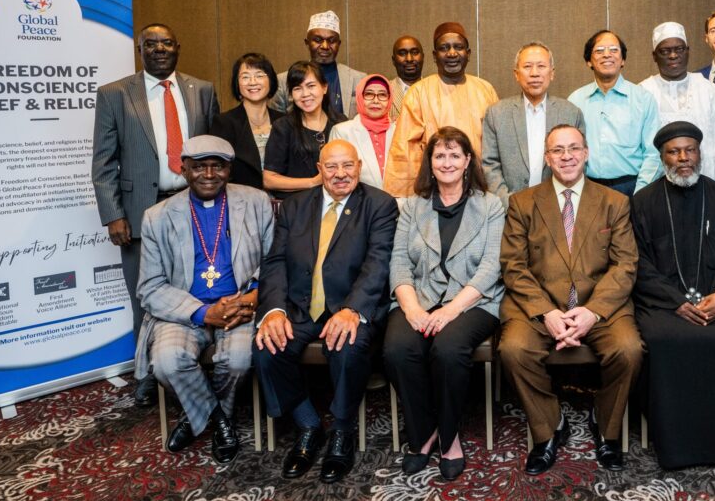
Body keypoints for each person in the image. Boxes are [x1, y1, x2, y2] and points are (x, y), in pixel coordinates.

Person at [498, 124, 644, 475]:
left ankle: (606, 426)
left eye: (573, 148)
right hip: (537, 305)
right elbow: (513, 266)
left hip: (599, 305)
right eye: (558, 150)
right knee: (514, 350)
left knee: (629, 350)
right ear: (547, 158)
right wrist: (547, 312)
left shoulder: (615, 202)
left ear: (586, 152)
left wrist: (592, 313)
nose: (567, 156)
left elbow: (625, 265)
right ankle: (549, 428)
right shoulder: (522, 203)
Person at [254, 139, 399, 483]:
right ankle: (308, 424)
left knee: (347, 347)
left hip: (351, 306)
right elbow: (274, 262)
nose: (340, 174)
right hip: (300, 307)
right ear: (319, 171)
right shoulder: (295, 207)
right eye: (331, 167)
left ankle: (342, 430)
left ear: (359, 166)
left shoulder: (379, 205)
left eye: (347, 165)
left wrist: (353, 309)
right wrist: (274, 310)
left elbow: (378, 263)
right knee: (267, 347)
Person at [631, 122, 715, 479]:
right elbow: (638, 263)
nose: (683, 159)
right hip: (665, 302)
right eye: (674, 152)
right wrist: (675, 301)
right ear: (663, 158)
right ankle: (678, 447)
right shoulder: (643, 202)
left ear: (699, 152)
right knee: (668, 339)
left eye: (689, 150)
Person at [92, 23, 220, 407]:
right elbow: (103, 162)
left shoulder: (202, 90)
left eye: (167, 42)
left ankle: (197, 363)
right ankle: (147, 373)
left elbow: (214, 152)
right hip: (139, 211)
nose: (160, 49)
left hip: (194, 206)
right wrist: (113, 214)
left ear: (178, 47)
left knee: (197, 285)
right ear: (140, 50)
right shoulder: (115, 94)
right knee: (145, 295)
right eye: (151, 44)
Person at [136, 135, 273, 463]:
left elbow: (275, 262)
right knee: (168, 362)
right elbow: (150, 287)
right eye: (198, 167)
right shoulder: (157, 216)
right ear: (183, 169)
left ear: (229, 169)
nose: (208, 174)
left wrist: (254, 297)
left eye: (218, 166)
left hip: (240, 305)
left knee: (239, 360)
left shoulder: (256, 202)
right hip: (184, 309)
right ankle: (219, 419)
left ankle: (197, 415)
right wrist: (203, 313)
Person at [384, 127, 505, 481]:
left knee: (448, 349)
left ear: (468, 161)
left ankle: (450, 437)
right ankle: (424, 433)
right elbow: (399, 263)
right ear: (430, 162)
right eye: (440, 156)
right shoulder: (412, 206)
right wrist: (413, 310)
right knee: (396, 349)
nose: (447, 162)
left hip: (473, 302)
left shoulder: (490, 205)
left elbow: (491, 267)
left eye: (455, 155)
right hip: (418, 298)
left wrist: (450, 311)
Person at [382, 22, 499, 197]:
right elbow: (405, 152)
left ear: (468, 54)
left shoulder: (485, 90)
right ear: (435, 56)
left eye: (458, 47)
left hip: (480, 188)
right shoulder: (419, 92)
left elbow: (498, 145)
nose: (452, 53)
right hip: (435, 191)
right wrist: (404, 198)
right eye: (444, 48)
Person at [640, 22, 715, 188]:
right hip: (656, 191)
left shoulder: (708, 90)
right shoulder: (643, 93)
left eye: (679, 49)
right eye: (665, 51)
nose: (673, 55)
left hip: (706, 188)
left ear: (687, 52)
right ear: (654, 56)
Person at [482, 42, 586, 205]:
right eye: (527, 66)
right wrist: (509, 203)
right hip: (510, 208)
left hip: (558, 208)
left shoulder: (571, 113)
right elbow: (489, 164)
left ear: (552, 73)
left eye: (541, 66)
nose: (534, 73)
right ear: (516, 74)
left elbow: (579, 162)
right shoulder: (497, 113)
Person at [567, 30, 662, 195]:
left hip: (631, 187)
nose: (606, 55)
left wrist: (641, 193)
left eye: (613, 50)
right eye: (599, 51)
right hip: (587, 188)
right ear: (589, 61)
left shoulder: (643, 99)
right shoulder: (575, 100)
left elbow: (653, 153)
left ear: (623, 60)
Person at [263, 61, 340, 198]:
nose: (305, 94)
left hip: (337, 203)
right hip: (298, 206)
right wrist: (313, 182)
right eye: (297, 88)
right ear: (291, 94)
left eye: (311, 86)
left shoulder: (340, 123)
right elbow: (269, 179)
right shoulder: (283, 127)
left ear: (324, 87)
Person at [209, 53, 286, 190]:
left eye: (259, 75)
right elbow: (218, 170)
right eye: (245, 77)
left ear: (271, 81)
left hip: (284, 202)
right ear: (237, 84)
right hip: (241, 201)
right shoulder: (224, 123)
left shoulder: (284, 121)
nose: (252, 82)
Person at [272, 11, 365, 119]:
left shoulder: (358, 79)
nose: (325, 46)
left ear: (339, 44)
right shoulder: (283, 81)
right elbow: (277, 123)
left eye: (332, 40)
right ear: (307, 43)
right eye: (318, 40)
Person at [329, 74, 396, 189]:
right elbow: (334, 174)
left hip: (397, 202)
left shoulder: (400, 130)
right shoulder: (342, 131)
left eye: (382, 95)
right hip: (359, 202)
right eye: (369, 94)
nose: (376, 101)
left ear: (390, 99)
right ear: (360, 97)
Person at [390, 35, 424, 121]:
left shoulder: (434, 89)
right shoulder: (383, 92)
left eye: (415, 52)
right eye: (402, 54)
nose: (409, 59)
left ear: (423, 57)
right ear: (394, 60)